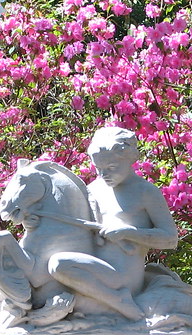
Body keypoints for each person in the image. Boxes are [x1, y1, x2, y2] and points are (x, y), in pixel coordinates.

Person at [47, 127, 178, 320]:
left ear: (128, 160)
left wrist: (128, 232)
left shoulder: (145, 192)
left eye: (111, 168)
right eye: (98, 169)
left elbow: (170, 239)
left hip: (124, 276)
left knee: (58, 264)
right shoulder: (92, 190)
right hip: (91, 273)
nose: (104, 174)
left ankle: (120, 300)